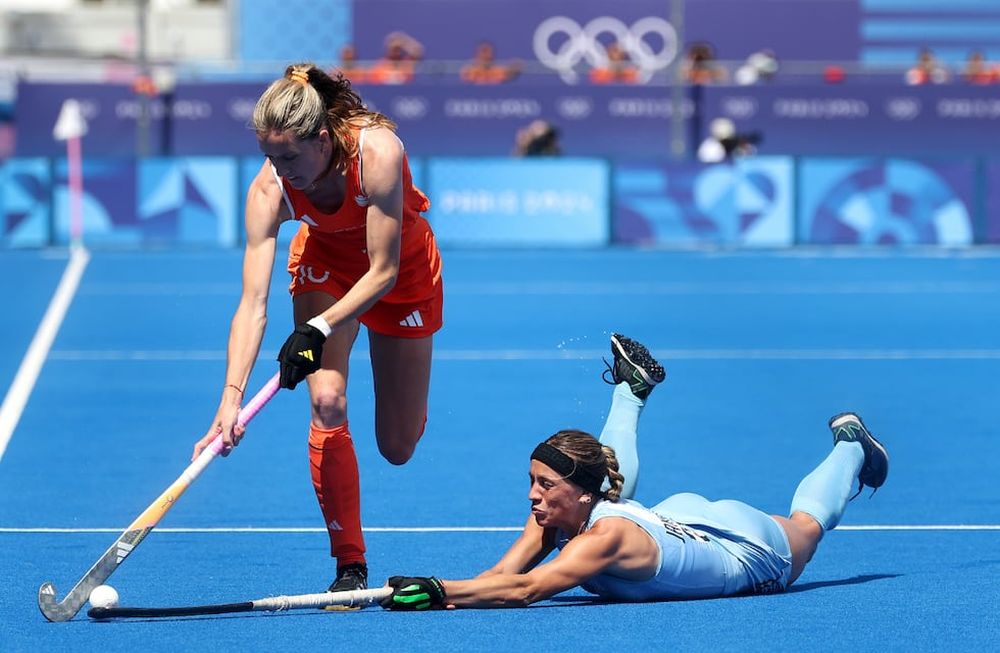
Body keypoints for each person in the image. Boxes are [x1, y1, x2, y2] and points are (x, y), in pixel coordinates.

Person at [379, 334, 889, 610]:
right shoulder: (560, 513)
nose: (533, 496)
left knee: (805, 526)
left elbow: (526, 591)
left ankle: (850, 447)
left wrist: (440, 590)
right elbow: (498, 577)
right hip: (669, 519)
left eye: (546, 484)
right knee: (620, 500)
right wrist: (437, 588)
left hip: (744, 548)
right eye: (532, 481)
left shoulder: (601, 539)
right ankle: (629, 391)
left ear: (580, 493)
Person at [191, 63, 444, 595]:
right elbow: (252, 303)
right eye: (269, 156)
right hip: (326, 266)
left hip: (399, 272)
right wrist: (229, 399)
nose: (280, 168)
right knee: (326, 399)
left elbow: (383, 270)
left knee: (397, 448)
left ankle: (404, 397)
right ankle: (349, 564)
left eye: (289, 156)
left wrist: (319, 329)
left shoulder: (377, 153)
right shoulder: (270, 189)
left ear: (323, 140)